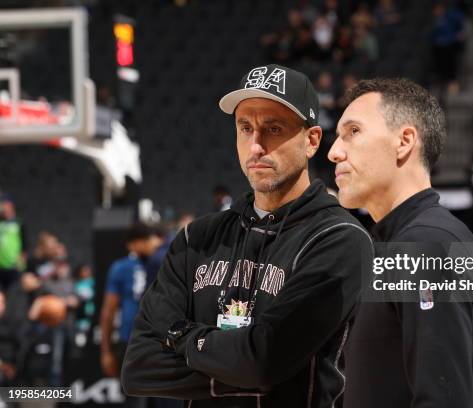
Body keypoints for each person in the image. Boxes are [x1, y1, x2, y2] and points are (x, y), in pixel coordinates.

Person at [121, 64, 373, 407]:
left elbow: (264, 363)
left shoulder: (339, 239)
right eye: (245, 128)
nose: (256, 146)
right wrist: (244, 365)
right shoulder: (197, 238)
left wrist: (182, 336)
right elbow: (139, 369)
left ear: (312, 140)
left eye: (273, 128)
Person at [328, 78, 473, 407]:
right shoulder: (398, 244)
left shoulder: (427, 244)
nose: (334, 152)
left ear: (404, 141)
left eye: (353, 132)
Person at [100, 223, 161, 382]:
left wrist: (106, 351)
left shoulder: (163, 262)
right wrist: (106, 351)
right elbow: (109, 311)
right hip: (133, 341)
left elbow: (108, 311)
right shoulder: (121, 267)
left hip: (154, 342)